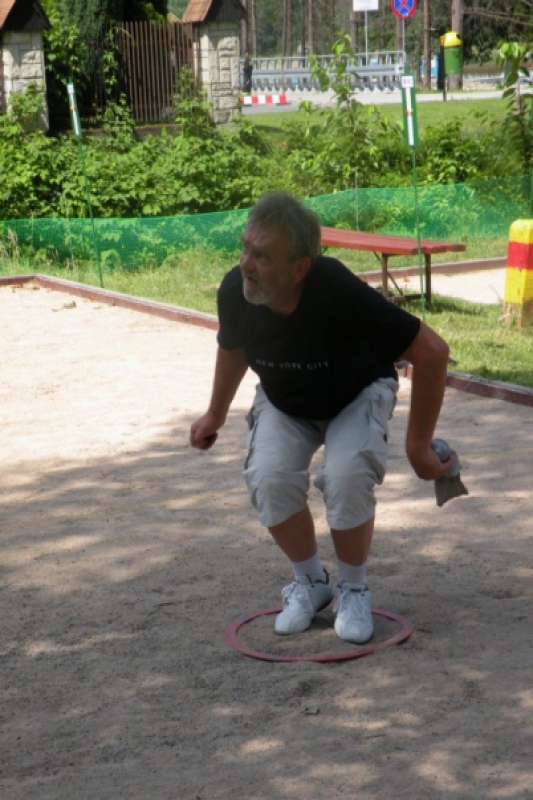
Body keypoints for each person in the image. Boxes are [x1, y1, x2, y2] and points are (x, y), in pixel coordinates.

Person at [190, 191, 452, 644]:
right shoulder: (237, 290)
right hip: (285, 400)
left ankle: (353, 588)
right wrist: (215, 413)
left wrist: (418, 449)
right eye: (245, 249)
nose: (246, 264)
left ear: (299, 269)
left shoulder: (335, 290)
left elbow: (432, 352)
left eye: (263, 257)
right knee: (268, 477)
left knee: (347, 475)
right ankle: (311, 583)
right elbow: (232, 347)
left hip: (357, 393)